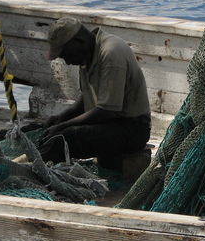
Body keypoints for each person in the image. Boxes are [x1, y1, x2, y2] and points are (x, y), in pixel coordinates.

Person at [37, 16, 151, 163]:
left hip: (132, 128)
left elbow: (107, 110)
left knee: (65, 138)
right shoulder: (86, 54)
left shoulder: (111, 53)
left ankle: (30, 167)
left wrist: (63, 126)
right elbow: (86, 97)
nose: (68, 62)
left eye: (67, 55)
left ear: (80, 41)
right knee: (44, 129)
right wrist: (62, 117)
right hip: (108, 123)